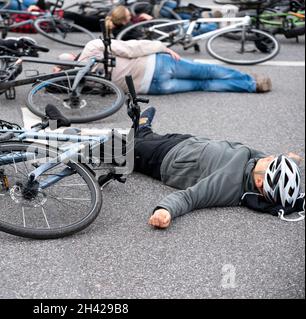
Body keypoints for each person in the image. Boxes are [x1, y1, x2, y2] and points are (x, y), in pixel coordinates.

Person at [133, 107, 304, 229]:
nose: (269, 157)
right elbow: (281, 173)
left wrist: (166, 210)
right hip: (189, 142)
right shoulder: (260, 168)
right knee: (152, 137)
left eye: (270, 162)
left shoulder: (228, 185)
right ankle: (143, 129)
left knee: (119, 147)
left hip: (166, 160)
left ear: (259, 181)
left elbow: (190, 198)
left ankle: (137, 134)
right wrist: (292, 161)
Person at [70, 38, 271, 95]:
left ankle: (251, 87)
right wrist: (161, 47)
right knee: (207, 71)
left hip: (150, 87)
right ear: (72, 56)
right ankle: (251, 80)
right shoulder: (93, 46)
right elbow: (131, 49)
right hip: (155, 64)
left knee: (204, 85)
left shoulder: (84, 81)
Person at [107, 4, 223, 41]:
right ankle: (217, 26)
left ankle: (213, 22)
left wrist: (144, 19)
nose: (131, 15)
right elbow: (146, 34)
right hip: (165, 32)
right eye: (128, 15)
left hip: (164, 27)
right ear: (124, 20)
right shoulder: (127, 30)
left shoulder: (122, 25)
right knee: (194, 28)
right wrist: (150, 20)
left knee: (191, 25)